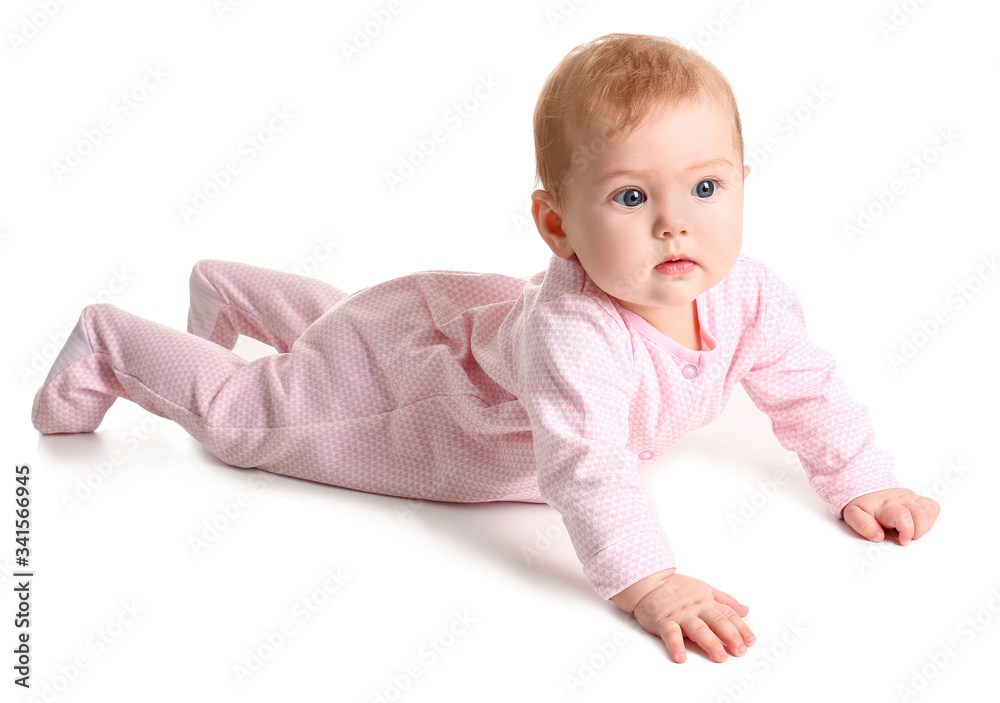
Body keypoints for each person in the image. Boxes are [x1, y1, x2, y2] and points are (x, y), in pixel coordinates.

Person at [31, 32, 939, 664]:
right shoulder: (578, 335)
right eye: (631, 198)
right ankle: (112, 341)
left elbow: (807, 387)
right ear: (557, 223)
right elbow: (587, 466)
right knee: (252, 418)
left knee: (343, 326)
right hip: (428, 404)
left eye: (706, 185)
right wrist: (648, 579)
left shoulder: (748, 293)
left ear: (743, 181)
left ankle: (226, 286)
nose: (675, 224)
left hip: (441, 327)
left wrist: (859, 476)